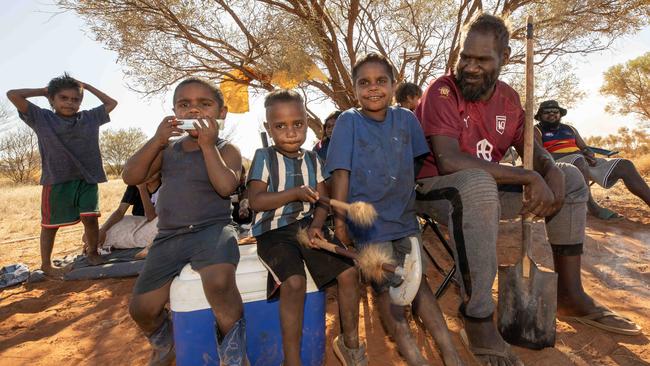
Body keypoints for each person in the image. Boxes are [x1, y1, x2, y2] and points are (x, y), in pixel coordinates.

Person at [414, 14, 641, 366]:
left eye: (482, 59)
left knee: (571, 175)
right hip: (434, 190)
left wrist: (548, 172)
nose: (470, 67)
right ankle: (476, 318)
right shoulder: (442, 91)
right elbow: (448, 161)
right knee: (477, 184)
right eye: (465, 57)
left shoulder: (509, 98)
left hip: (489, 190)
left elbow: (533, 150)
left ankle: (570, 296)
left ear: (504, 56)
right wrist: (526, 178)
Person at [326, 53, 463, 366]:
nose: (373, 88)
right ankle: (415, 358)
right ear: (354, 87)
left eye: (381, 81)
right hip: (368, 224)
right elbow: (341, 173)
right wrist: (341, 221)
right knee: (388, 292)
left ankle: (451, 354)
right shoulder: (349, 121)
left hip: (403, 218)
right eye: (364, 82)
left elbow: (415, 162)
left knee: (419, 284)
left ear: (393, 84)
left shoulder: (406, 119)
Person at [122, 78, 248, 365]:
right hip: (169, 235)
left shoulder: (227, 148)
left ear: (222, 112)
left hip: (212, 229)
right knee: (141, 308)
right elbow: (131, 176)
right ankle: (166, 344)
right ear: (174, 112)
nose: (194, 111)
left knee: (219, 282)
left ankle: (234, 354)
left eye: (204, 104)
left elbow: (226, 187)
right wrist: (157, 140)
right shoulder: (167, 150)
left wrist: (207, 147)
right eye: (185, 105)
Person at [247, 90, 366, 366]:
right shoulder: (263, 157)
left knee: (349, 273)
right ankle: (292, 360)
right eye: (280, 126)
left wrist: (315, 226)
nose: (291, 132)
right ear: (269, 128)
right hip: (274, 232)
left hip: (306, 227)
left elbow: (322, 202)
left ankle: (351, 346)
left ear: (305, 123)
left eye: (297, 124)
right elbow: (256, 201)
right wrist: (294, 193)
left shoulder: (313, 159)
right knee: (294, 282)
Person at [6, 73, 118, 275]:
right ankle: (46, 265)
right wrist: (42, 91)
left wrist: (89, 87)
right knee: (50, 225)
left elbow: (112, 102)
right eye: (63, 98)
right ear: (53, 100)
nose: (70, 103)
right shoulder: (41, 117)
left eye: (75, 99)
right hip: (57, 180)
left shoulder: (89, 118)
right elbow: (12, 94)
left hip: (87, 178)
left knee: (91, 218)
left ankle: (93, 253)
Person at [535, 99, 650, 219]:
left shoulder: (570, 129)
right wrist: (580, 155)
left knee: (625, 164)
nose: (552, 114)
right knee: (578, 159)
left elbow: (584, 147)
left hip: (580, 160)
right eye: (547, 112)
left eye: (555, 111)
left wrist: (588, 153)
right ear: (540, 116)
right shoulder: (536, 130)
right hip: (557, 165)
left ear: (560, 114)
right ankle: (591, 207)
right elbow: (540, 154)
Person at [84, 172, 160, 256]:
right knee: (90, 236)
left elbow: (151, 217)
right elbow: (120, 211)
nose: (150, 172)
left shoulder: (166, 184)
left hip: (154, 224)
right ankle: (105, 243)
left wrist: (142, 189)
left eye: (154, 168)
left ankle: (147, 246)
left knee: (159, 225)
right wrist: (103, 230)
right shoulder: (134, 185)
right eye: (147, 168)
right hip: (139, 224)